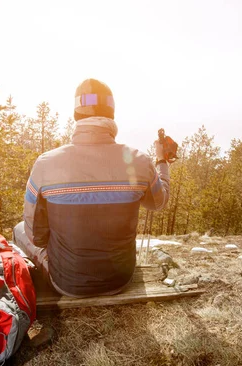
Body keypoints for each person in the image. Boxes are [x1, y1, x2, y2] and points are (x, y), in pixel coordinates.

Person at [13, 78, 170, 298]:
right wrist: (162, 161)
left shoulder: (46, 163)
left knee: (18, 229)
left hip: (66, 284)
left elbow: (35, 236)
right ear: (111, 112)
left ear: (76, 113)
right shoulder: (140, 161)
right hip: (120, 280)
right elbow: (159, 203)